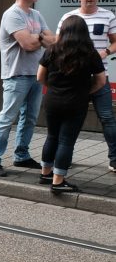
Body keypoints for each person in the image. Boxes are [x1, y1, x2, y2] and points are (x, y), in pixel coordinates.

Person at [0, 0, 56, 177]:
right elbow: (28, 45)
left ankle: (21, 155)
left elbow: (53, 41)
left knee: (30, 118)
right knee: (7, 118)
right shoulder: (12, 15)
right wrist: (41, 38)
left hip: (36, 75)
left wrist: (39, 38)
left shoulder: (36, 14)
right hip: (16, 75)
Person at [38, 15, 107, 193]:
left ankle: (45, 174)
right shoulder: (89, 53)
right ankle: (58, 182)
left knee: (52, 136)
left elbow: (40, 77)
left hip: (52, 100)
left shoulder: (52, 50)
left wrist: (53, 88)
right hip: (76, 103)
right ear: (83, 33)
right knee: (66, 141)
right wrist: (85, 92)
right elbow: (100, 81)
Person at [56, 0, 116, 173]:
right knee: (71, 119)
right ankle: (66, 158)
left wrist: (105, 52)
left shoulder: (108, 16)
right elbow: (58, 44)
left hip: (100, 77)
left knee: (107, 118)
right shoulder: (68, 17)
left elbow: (115, 42)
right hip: (74, 79)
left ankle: (114, 159)